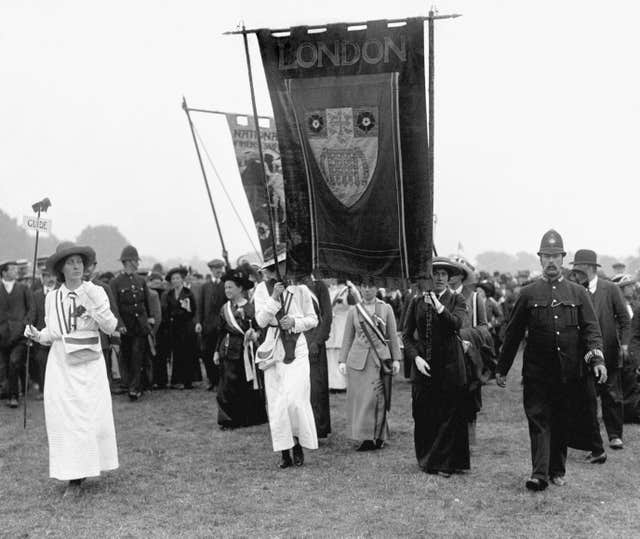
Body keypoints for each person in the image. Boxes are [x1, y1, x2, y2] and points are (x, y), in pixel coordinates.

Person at [496, 230, 606, 491]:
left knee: (560, 421)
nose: (552, 261)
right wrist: (502, 368)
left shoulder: (578, 294)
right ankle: (539, 474)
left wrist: (597, 359)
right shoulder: (528, 293)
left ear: (564, 258)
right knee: (538, 419)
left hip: (569, 373)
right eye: (547, 256)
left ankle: (557, 470)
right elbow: (512, 335)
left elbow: (591, 330)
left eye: (556, 256)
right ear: (540, 259)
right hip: (537, 372)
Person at [24, 242, 118, 497]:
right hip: (62, 364)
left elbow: (110, 326)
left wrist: (95, 308)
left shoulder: (95, 291)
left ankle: (86, 468)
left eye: (79, 262)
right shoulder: (52, 297)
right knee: (66, 418)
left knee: (88, 416)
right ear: (61, 269)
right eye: (70, 262)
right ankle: (72, 475)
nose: (77, 266)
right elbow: (51, 333)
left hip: (89, 363)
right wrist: (35, 334)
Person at [403, 257, 469, 476]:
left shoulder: (457, 300)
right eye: (435, 274)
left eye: (443, 274)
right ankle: (427, 459)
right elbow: (406, 336)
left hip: (450, 364)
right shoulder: (416, 301)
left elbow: (457, 324)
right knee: (424, 413)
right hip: (425, 365)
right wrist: (415, 358)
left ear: (449, 278)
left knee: (448, 414)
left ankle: (446, 463)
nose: (439, 278)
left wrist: (439, 307)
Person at [253, 248, 318, 468]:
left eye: (282, 265)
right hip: (274, 348)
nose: (279, 270)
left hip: (297, 346)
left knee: (295, 399)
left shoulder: (301, 290)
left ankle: (298, 442)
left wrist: (295, 322)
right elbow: (261, 321)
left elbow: (312, 319)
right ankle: (284, 451)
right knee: (278, 402)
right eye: (275, 266)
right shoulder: (262, 290)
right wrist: (273, 299)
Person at [571, 249, 630, 450]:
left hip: (610, 351)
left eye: (578, 269)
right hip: (585, 353)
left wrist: (624, 343)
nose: (575, 274)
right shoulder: (576, 290)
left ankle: (615, 435)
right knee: (586, 398)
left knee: (612, 394)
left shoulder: (610, 289)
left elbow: (624, 319)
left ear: (588, 268)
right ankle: (590, 437)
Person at [339, 277, 401, 451]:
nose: (367, 290)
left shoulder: (385, 308)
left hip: (379, 360)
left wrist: (396, 358)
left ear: (377, 288)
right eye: (364, 286)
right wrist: (342, 360)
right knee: (361, 400)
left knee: (378, 399)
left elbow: (392, 335)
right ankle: (365, 437)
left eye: (371, 286)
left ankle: (378, 436)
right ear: (360, 288)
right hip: (357, 362)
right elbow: (347, 338)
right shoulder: (354, 311)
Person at [213, 267, 267, 429]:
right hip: (227, 351)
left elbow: (259, 329)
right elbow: (220, 331)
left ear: (240, 288)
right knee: (226, 386)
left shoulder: (251, 308)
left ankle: (248, 418)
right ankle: (227, 419)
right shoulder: (225, 309)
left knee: (245, 386)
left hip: (245, 352)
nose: (227, 290)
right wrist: (216, 351)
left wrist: (252, 332)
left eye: (230, 287)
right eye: (226, 287)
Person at [110, 245, 154, 400]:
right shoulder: (115, 283)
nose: (137, 263)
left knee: (137, 355)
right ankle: (130, 384)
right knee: (126, 356)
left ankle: (134, 388)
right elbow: (114, 306)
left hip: (140, 326)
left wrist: (150, 318)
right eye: (135, 260)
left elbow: (146, 302)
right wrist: (119, 324)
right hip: (126, 327)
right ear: (128, 261)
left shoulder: (140, 281)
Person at [0, 260, 34, 408]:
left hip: (20, 335)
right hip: (1, 335)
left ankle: (14, 396)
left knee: (14, 362)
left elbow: (31, 309)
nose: (16, 271)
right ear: (4, 272)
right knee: (3, 365)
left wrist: (26, 325)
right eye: (13, 269)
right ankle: (6, 390)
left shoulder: (24, 288)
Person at [303, 275, 333, 438]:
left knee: (316, 388)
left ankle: (317, 428)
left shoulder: (319, 285)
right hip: (297, 342)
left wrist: (317, 341)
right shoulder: (291, 285)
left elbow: (327, 316)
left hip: (315, 342)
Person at [163, 266, 199, 389]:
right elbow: (166, 310)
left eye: (178, 278)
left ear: (182, 279)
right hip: (174, 327)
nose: (176, 281)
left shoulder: (188, 293)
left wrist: (187, 309)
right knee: (176, 353)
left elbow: (193, 311)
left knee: (187, 352)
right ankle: (176, 380)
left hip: (186, 326)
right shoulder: (169, 294)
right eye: (173, 278)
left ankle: (188, 380)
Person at [196, 259, 227, 391]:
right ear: (211, 270)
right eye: (215, 268)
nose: (218, 270)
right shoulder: (205, 287)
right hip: (207, 327)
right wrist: (198, 322)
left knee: (221, 354)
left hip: (221, 326)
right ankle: (211, 380)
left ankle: (221, 381)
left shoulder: (226, 285)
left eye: (220, 268)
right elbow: (200, 306)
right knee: (207, 353)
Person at [31, 269, 57, 399]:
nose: (50, 279)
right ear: (43, 278)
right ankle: (43, 390)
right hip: (42, 337)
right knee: (42, 362)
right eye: (47, 276)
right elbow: (32, 315)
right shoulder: (36, 295)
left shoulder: (61, 292)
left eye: (52, 275)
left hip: (59, 337)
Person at [326, 279, 350, 391]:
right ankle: (332, 384)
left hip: (341, 326)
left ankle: (341, 384)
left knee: (341, 356)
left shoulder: (346, 290)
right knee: (330, 357)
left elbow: (348, 304)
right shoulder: (328, 290)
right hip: (331, 328)